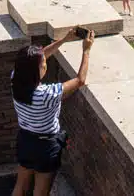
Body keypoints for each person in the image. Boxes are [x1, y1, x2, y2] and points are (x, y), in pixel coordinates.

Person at [10, 30, 95, 196]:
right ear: (39, 69)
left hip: (25, 140)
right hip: (46, 146)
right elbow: (80, 80)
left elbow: (37, 59)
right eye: (43, 64)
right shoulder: (48, 94)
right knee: (40, 192)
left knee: (20, 187)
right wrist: (86, 50)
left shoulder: (15, 79)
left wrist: (63, 40)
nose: (45, 63)